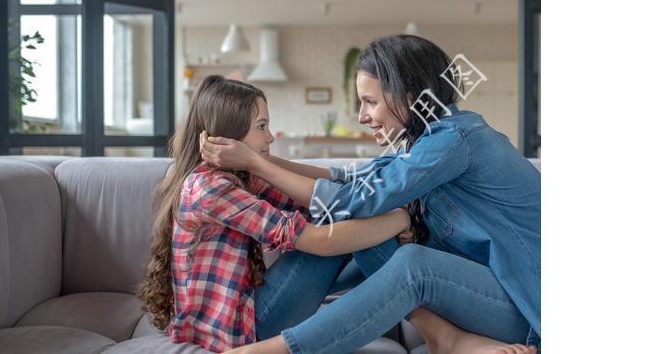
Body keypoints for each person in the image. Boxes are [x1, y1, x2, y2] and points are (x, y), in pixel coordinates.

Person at [201, 35, 541, 354]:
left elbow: (352, 199)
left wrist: (256, 165)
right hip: (484, 293)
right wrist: (260, 159)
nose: (362, 116)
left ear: (408, 96)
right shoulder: (421, 141)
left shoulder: (453, 140)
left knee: (413, 263)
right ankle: (443, 336)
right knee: (367, 230)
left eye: (370, 102)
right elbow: (350, 179)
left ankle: (269, 351)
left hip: (524, 305)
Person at [136, 75, 412, 353]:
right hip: (238, 334)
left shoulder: (239, 178)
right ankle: (419, 298)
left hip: (245, 314)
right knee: (343, 228)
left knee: (347, 221)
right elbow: (321, 240)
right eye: (262, 126)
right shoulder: (210, 188)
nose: (270, 136)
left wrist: (255, 161)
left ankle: (409, 280)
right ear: (231, 130)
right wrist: (402, 218)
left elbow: (321, 201)